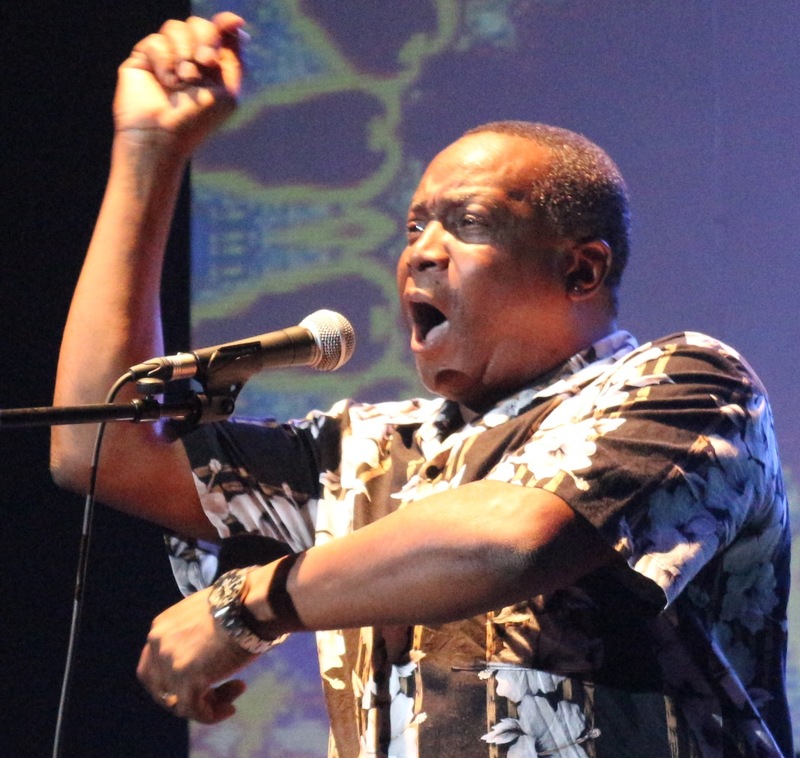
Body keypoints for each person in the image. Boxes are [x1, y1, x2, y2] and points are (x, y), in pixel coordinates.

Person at [50, 12, 792, 758]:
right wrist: (149, 153)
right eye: (412, 229)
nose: (421, 254)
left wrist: (253, 600)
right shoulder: (365, 452)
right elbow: (100, 447)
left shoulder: (692, 388)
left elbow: (512, 538)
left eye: (468, 222)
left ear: (580, 270)